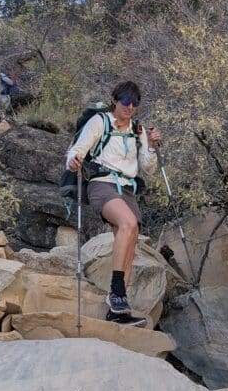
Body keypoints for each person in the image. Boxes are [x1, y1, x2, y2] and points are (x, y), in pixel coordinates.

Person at [65, 81, 161, 321]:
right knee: (128, 223)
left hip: (127, 189)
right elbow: (77, 150)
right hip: (102, 184)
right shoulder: (100, 122)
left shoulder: (138, 129)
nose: (130, 107)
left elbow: (150, 169)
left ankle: (118, 307)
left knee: (129, 236)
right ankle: (117, 292)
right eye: (126, 101)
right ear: (115, 99)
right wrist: (74, 161)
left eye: (135, 103)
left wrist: (151, 146)